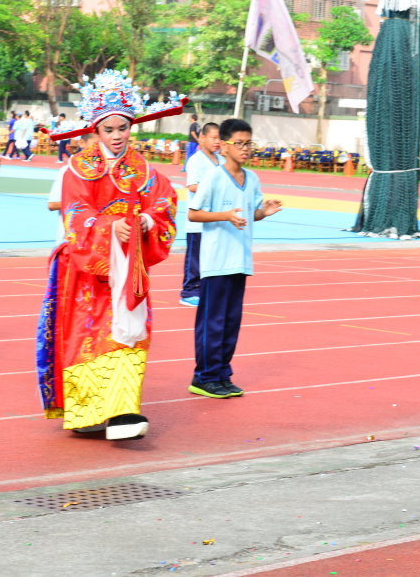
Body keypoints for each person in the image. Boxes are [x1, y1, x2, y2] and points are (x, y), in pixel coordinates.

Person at [36, 70, 181, 441]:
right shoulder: (78, 169)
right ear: (95, 131)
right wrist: (106, 227)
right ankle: (87, 413)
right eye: (109, 130)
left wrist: (148, 219)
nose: (117, 136)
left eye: (123, 128)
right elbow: (74, 211)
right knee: (88, 337)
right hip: (85, 271)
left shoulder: (144, 170)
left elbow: (164, 201)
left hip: (129, 269)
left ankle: (122, 411)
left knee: (128, 336)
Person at [188, 118, 282, 400]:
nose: (245, 149)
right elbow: (194, 213)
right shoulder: (214, 178)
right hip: (216, 262)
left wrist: (264, 212)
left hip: (240, 261)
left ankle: (222, 374)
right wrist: (224, 216)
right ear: (225, 146)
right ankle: (204, 376)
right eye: (239, 143)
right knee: (212, 321)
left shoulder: (252, 179)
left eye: (248, 143)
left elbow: (250, 214)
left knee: (231, 321)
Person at [179, 122, 220, 306]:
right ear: (202, 138)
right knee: (194, 259)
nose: (217, 142)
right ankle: (188, 292)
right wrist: (214, 188)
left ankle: (205, 289)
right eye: (213, 137)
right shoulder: (196, 160)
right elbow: (192, 186)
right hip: (197, 219)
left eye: (220, 138)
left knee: (211, 258)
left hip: (215, 219)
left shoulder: (222, 160)